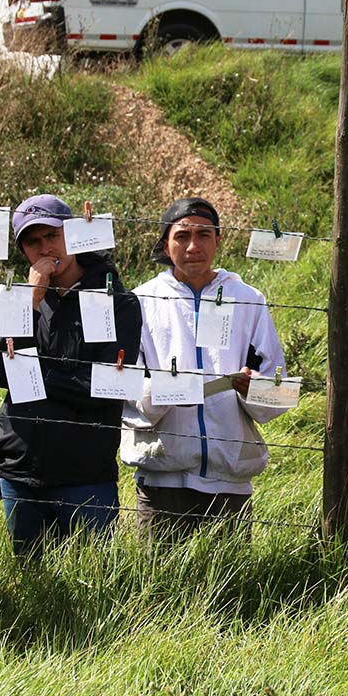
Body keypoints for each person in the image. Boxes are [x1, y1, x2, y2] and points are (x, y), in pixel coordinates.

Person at [0, 196, 142, 557]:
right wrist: (29, 304)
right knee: (29, 579)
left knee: (93, 579)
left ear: (74, 234)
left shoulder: (117, 301)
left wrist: (29, 374)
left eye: (53, 235)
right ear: (23, 250)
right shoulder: (18, 298)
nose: (45, 248)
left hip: (86, 476)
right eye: (33, 241)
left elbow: (106, 386)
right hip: (20, 471)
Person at [121, 197, 290, 538]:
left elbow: (278, 386)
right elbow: (125, 385)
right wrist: (165, 391)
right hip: (161, 477)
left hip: (230, 479)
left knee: (228, 572)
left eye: (203, 235)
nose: (193, 246)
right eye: (182, 236)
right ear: (165, 245)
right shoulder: (141, 301)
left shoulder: (248, 299)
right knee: (157, 571)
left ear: (218, 240)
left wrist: (255, 389)